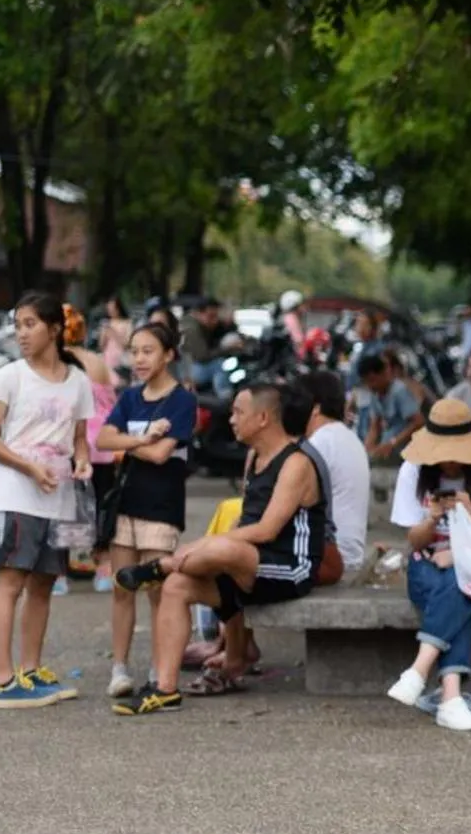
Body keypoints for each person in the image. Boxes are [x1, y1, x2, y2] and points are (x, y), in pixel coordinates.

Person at [113, 380, 326, 715]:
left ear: (264, 418)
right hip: (247, 567)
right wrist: (206, 547)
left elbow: (268, 530)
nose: (231, 419)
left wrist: (206, 544)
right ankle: (165, 688)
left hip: (289, 566)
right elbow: (245, 518)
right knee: (176, 587)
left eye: (238, 412)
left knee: (223, 550)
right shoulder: (254, 455)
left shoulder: (296, 463)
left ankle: (161, 565)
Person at [0, 291, 96, 708]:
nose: (21, 333)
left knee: (43, 585)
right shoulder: (10, 376)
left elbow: (79, 439)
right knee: (9, 583)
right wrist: (29, 467)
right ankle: (3, 681)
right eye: (18, 324)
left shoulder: (77, 381)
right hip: (15, 494)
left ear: (54, 329)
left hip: (58, 497)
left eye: (29, 324)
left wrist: (81, 462)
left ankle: (30, 670)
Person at [385, 399, 471, 733]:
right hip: (426, 562)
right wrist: (431, 519)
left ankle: (418, 669)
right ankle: (451, 696)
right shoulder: (413, 471)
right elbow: (414, 542)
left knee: (458, 577)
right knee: (455, 586)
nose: (451, 461)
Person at [94, 321, 198, 699]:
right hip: (126, 504)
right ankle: (119, 668)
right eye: (134, 350)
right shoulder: (131, 397)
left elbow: (159, 455)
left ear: (168, 354)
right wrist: (142, 437)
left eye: (148, 350)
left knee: (157, 590)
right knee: (122, 587)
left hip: (162, 508)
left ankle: (160, 667)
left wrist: (131, 444)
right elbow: (103, 439)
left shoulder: (182, 401)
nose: (138, 358)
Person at [65, 304, 120, 595]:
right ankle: (103, 567)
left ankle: (59, 572)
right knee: (101, 505)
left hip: (70, 445)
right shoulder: (97, 362)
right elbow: (109, 403)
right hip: (101, 446)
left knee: (63, 508)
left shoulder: (59, 363)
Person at [298, 370, 372, 576]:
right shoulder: (347, 437)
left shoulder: (320, 443)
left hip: (333, 557)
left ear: (314, 408)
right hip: (348, 553)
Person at [355, 351, 423, 461]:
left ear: (383, 374)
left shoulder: (399, 391)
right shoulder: (375, 394)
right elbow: (374, 426)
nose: (370, 385)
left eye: (373, 380)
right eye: (367, 382)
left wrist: (393, 442)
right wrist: (366, 449)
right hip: (388, 447)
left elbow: (418, 422)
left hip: (406, 448)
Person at [99, 295, 133, 380]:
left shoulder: (127, 323)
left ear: (118, 308)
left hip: (122, 363)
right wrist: (104, 334)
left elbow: (128, 344)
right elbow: (101, 346)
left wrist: (114, 334)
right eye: (109, 309)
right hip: (108, 363)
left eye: (112, 308)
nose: (110, 311)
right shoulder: (106, 324)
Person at [277, 289, 307, 355]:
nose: (304, 308)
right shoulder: (291, 319)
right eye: (301, 305)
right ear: (294, 306)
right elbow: (299, 341)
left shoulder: (286, 318)